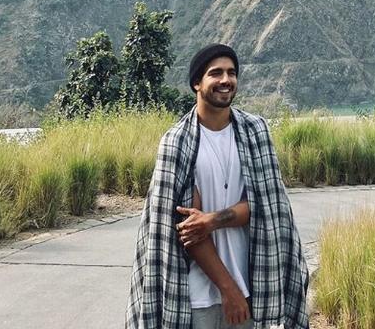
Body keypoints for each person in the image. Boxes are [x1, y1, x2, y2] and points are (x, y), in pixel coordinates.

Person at [126, 44, 309, 329]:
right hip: (197, 295)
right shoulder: (178, 143)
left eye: (232, 73)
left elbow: (269, 207)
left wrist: (212, 220)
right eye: (216, 73)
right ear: (197, 83)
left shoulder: (255, 132)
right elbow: (188, 229)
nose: (226, 80)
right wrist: (228, 289)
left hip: (254, 284)